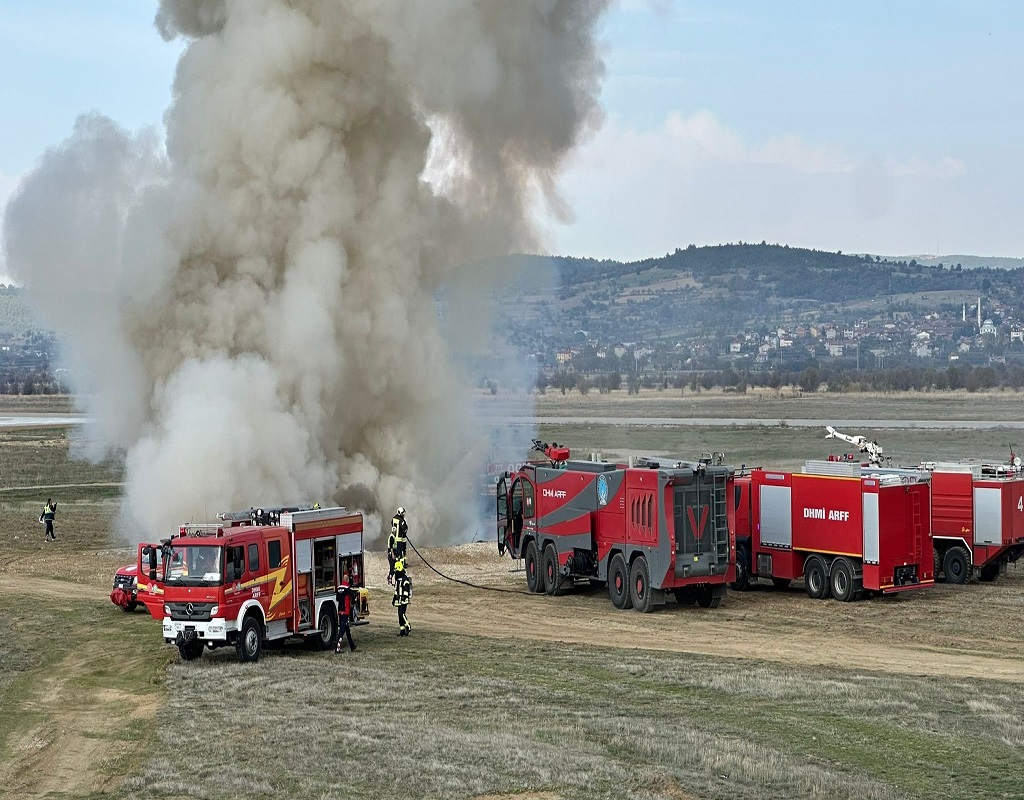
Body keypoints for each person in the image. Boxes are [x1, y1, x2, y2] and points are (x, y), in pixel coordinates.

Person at [335, 575, 357, 653]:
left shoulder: (338, 588)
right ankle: (337, 648)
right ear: (347, 580)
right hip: (345, 611)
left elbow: (337, 599)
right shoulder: (347, 589)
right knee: (342, 630)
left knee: (347, 630)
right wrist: (353, 602)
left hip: (340, 611)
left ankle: (352, 646)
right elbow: (354, 596)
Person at [387, 506, 408, 584]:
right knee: (401, 555)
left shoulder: (393, 519)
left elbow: (392, 524)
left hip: (396, 539)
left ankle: (400, 566)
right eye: (403, 513)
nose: (404, 514)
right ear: (400, 513)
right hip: (400, 539)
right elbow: (404, 529)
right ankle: (402, 565)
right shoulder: (402, 520)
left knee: (399, 555)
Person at [392, 558, 412, 637]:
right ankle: (402, 631)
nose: (396, 572)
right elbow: (396, 591)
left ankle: (408, 626)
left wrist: (404, 597)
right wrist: (394, 599)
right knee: (399, 615)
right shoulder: (398, 580)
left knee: (401, 614)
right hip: (399, 600)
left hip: (404, 601)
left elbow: (406, 589)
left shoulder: (404, 579)